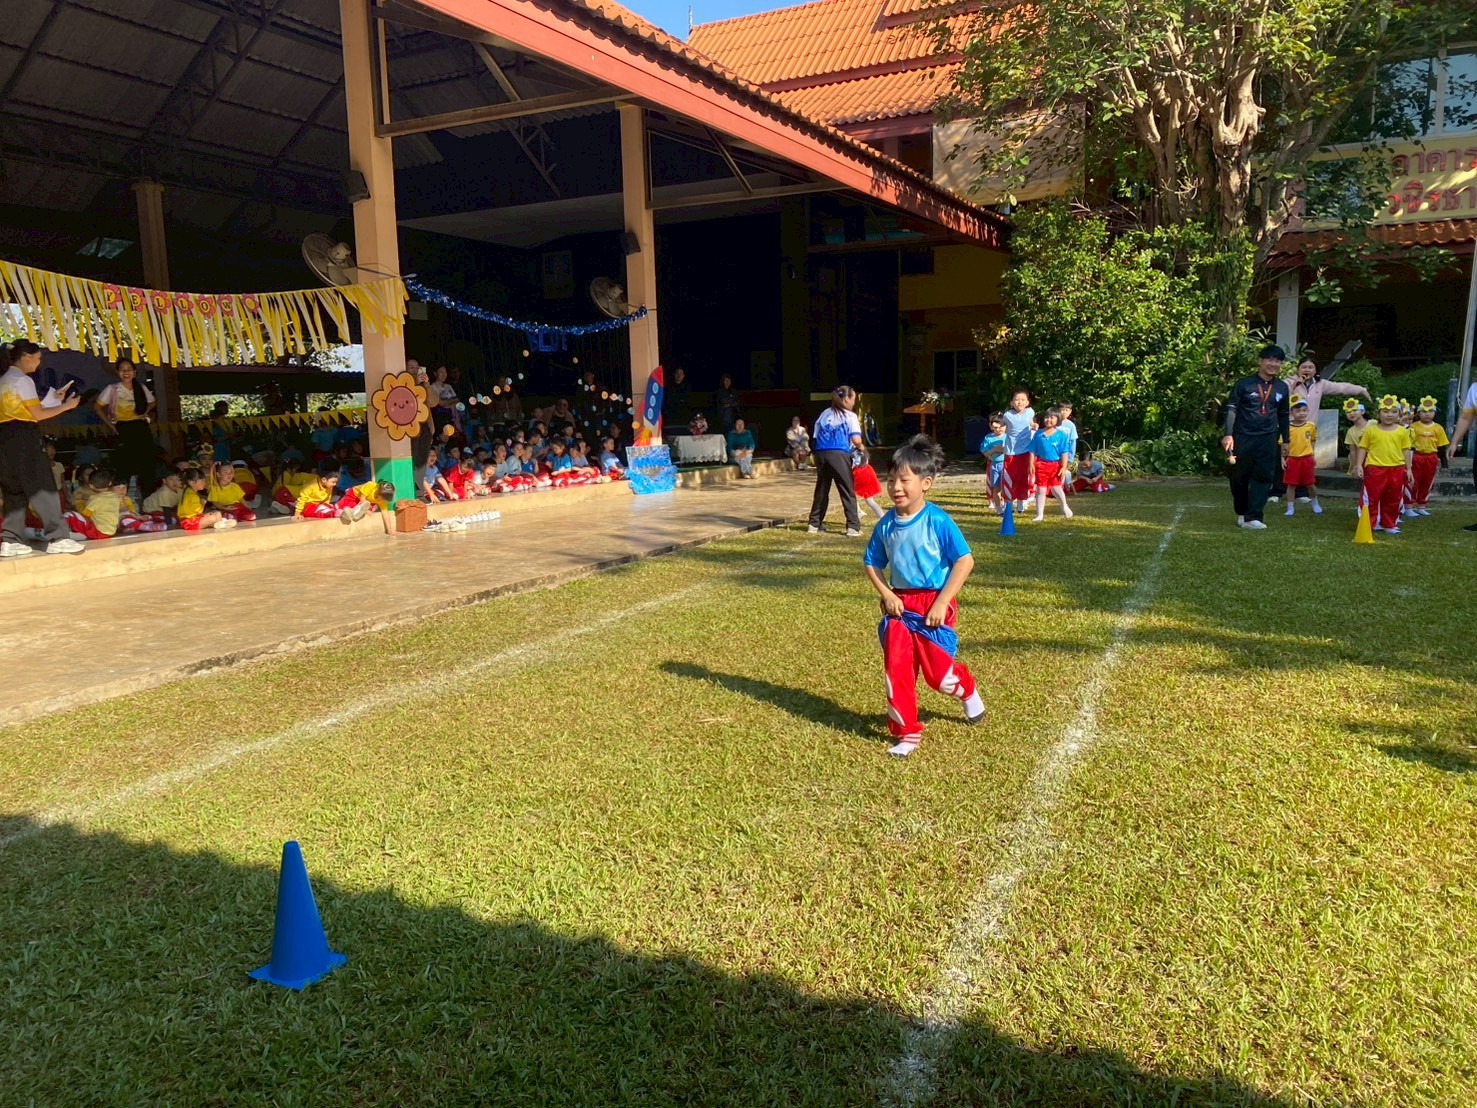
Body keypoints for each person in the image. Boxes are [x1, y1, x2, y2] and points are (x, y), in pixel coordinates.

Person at [862, 435, 986, 758]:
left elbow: (964, 561)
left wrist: (942, 602)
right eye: (891, 479)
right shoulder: (885, 526)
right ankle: (906, 732)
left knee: (938, 676)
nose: (896, 487)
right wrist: (886, 594)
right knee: (897, 668)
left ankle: (966, 688)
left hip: (933, 604)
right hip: (900, 609)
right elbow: (871, 563)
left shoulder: (938, 520)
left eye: (904, 480)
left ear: (925, 483)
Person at [0, 340, 85, 556]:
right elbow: (36, 415)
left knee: (14, 488)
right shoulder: (23, 380)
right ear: (26, 357)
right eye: (37, 358)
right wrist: (66, 406)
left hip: (5, 437)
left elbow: (26, 409)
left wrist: (53, 401)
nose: (38, 363)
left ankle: (11, 539)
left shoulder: (4, 380)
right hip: (24, 436)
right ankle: (58, 538)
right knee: (42, 485)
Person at [1221, 344, 1292, 531]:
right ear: (1260, 361)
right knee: (1239, 477)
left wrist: (1286, 440)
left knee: (1264, 476)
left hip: (1268, 438)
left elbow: (1284, 414)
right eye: (1269, 359)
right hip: (1243, 436)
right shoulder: (1244, 384)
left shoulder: (1282, 387)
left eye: (1277, 361)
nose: (1273, 364)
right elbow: (1232, 409)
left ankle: (1254, 516)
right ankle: (1242, 511)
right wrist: (1228, 433)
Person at [1350, 395, 1413, 535]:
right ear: (1378, 414)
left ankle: (1389, 523)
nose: (1389, 415)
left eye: (1394, 412)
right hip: (1375, 469)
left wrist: (1408, 469)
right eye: (1385, 411)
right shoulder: (1371, 430)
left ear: (1399, 414)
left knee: (1393, 498)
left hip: (1397, 469)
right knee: (1371, 497)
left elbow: (1406, 450)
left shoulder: (1402, 431)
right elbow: (1363, 448)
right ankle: (1369, 523)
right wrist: (1359, 465)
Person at [94, 357, 156, 496]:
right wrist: (112, 426)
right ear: (118, 372)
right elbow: (97, 407)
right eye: (122, 369)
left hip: (141, 428)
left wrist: (145, 412)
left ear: (135, 372)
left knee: (147, 466)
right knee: (124, 467)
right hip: (122, 428)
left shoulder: (141, 388)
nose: (126, 372)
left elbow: (152, 402)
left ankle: (148, 501)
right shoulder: (112, 389)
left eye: (129, 369)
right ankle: (121, 501)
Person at [807, 385, 863, 537]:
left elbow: (815, 435)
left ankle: (814, 524)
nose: (854, 402)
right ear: (846, 399)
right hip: (839, 453)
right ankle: (853, 527)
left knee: (822, 488)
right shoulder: (850, 416)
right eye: (853, 399)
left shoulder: (824, 413)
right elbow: (856, 439)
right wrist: (862, 448)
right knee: (846, 489)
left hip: (820, 453)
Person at [1407, 396, 1449, 517]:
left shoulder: (1438, 428)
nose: (1427, 414)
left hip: (1431, 457)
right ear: (1418, 413)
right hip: (1416, 456)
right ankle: (1408, 506)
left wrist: (1444, 462)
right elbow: (1407, 445)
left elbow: (1441, 446)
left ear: (1435, 413)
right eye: (1424, 411)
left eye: (1430, 411)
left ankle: (1422, 505)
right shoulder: (1413, 427)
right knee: (1413, 482)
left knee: (1427, 482)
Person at [1029, 407, 1074, 521]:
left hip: (1055, 466)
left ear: (1057, 419)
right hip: (1041, 465)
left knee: (1056, 488)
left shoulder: (1061, 435)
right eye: (1046, 417)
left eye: (1052, 417)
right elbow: (1032, 450)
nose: (1048, 420)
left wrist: (1064, 467)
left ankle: (1064, 506)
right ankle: (1039, 514)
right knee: (1041, 490)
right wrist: (1031, 464)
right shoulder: (1038, 434)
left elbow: (1064, 452)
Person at [1282, 396, 1321, 516]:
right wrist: (1282, 459)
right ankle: (1290, 507)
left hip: (1307, 458)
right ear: (1291, 412)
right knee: (1291, 484)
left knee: (1310, 483)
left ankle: (1315, 503)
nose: (1301, 413)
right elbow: (1282, 444)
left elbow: (1312, 440)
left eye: (1304, 410)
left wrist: (1313, 454)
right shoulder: (1287, 427)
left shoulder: (1310, 426)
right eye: (1298, 411)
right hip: (1292, 459)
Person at [1000, 390, 1036, 513]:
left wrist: (1034, 426)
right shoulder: (1007, 415)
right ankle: (1008, 503)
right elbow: (1002, 428)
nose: (1019, 402)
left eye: (1022, 400)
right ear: (1011, 403)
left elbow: (1031, 423)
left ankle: (1021, 502)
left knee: (1023, 477)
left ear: (1027, 402)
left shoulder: (1030, 412)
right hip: (1010, 451)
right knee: (1009, 478)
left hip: (1025, 451)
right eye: (1016, 399)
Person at [979, 414, 1007, 514]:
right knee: (996, 488)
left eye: (1001, 427)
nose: (999, 429)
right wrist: (995, 449)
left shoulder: (1008, 437)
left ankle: (1007, 506)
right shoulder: (988, 438)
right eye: (996, 427)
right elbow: (985, 453)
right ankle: (998, 508)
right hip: (994, 465)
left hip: (1006, 464)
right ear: (991, 427)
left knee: (1006, 487)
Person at [851, 444, 885, 518]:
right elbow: (866, 461)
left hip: (859, 474)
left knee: (850, 494)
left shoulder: (850, 450)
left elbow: (852, 465)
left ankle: (858, 512)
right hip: (869, 472)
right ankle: (883, 517)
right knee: (870, 500)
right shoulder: (861, 448)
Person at [1342, 398, 1369, 476]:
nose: (1351, 413)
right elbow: (1353, 451)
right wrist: (1355, 467)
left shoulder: (1374, 424)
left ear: (1362, 411)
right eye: (1348, 412)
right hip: (1363, 460)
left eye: (1354, 410)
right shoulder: (1351, 431)